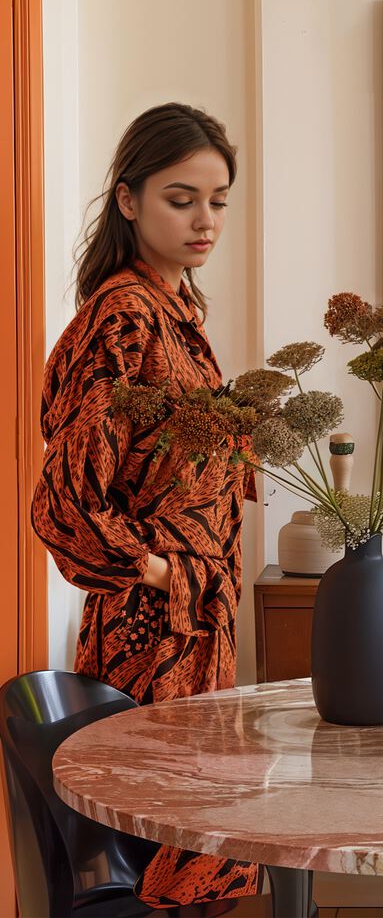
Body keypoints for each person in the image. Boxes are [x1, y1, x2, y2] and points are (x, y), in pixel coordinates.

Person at [31, 103, 260, 911]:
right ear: (128, 200)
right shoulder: (124, 316)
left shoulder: (174, 309)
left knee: (201, 863)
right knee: (174, 868)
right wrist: (160, 572)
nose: (206, 219)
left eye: (219, 199)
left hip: (195, 639)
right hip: (150, 640)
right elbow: (63, 504)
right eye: (181, 197)